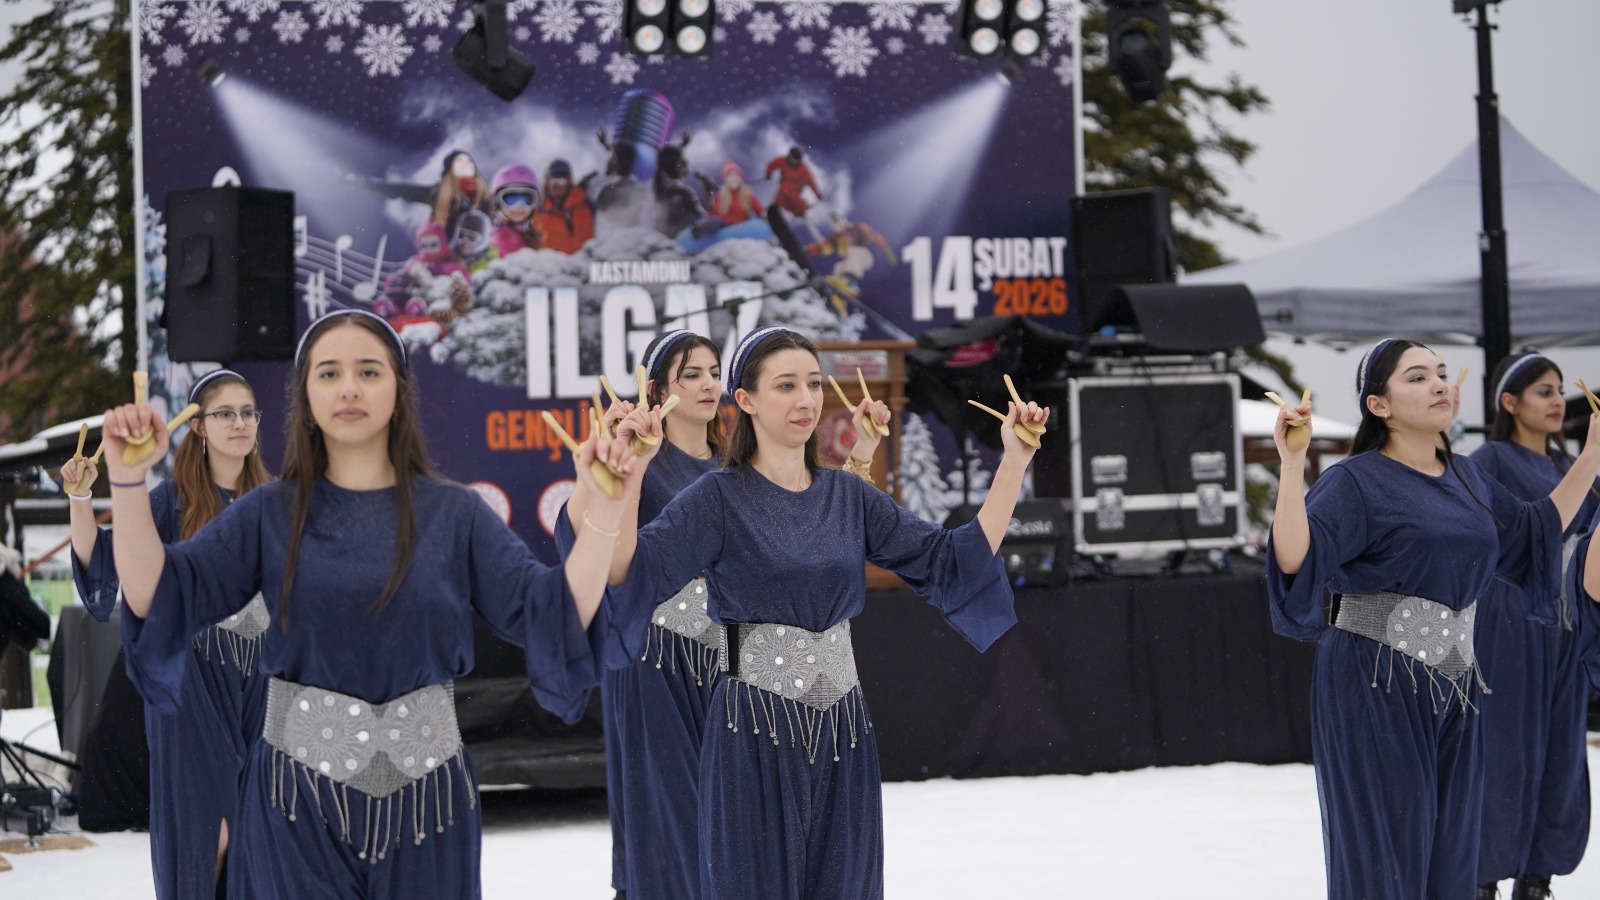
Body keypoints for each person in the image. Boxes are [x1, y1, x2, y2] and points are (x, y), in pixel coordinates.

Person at [96, 309, 634, 899]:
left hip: (429, 804)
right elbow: (159, 593)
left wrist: (607, 508)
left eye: (368, 371)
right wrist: (125, 483)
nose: (349, 387)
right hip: (296, 803)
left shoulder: (454, 515)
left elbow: (553, 611)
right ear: (305, 393)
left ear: (399, 391)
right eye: (329, 373)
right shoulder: (269, 513)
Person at [603, 326, 1045, 900]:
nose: (807, 399)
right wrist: (627, 472)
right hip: (751, 732)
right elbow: (627, 574)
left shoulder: (848, 496)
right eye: (786, 385)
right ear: (747, 400)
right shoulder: (716, 498)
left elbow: (951, 560)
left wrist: (1014, 459)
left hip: (843, 732)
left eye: (814, 383)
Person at [1266, 339, 1600, 900]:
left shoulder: (1467, 476)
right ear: (1380, 406)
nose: (1440, 384)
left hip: (1455, 683)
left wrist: (1592, 454)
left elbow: (1535, 531)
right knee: (1385, 857)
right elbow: (1297, 559)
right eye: (1418, 377)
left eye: (1441, 373)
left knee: (1451, 859)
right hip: (1373, 681)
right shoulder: (1357, 481)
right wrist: (1293, 465)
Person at [61, 369, 271, 900]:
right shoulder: (170, 502)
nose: (240, 423)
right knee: (209, 839)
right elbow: (104, 573)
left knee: (260, 839)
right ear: (198, 426)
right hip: (191, 690)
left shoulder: (275, 500)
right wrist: (82, 499)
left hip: (264, 692)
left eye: (248, 412)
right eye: (226, 414)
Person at [557, 330, 727, 900]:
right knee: (670, 814)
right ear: (656, 390)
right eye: (691, 375)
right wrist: (613, 463)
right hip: (653, 658)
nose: (708, 384)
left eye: (713, 371)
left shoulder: (736, 466)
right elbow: (577, 535)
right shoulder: (640, 460)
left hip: (731, 666)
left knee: (730, 820)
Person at [1470, 352, 1600, 900]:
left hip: (1566, 623)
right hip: (1508, 620)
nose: (1555, 402)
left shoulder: (1565, 463)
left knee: (1562, 749)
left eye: (1556, 391)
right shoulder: (1489, 460)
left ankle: (1537, 875)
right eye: (1542, 391)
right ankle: (1482, 875)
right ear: (1509, 402)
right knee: (1502, 747)